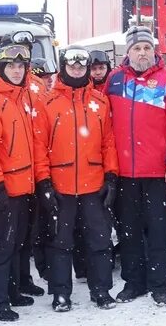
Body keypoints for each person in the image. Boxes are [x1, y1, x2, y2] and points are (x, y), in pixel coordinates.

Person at [105, 26, 166, 305]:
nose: (142, 53)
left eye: (146, 48)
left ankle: (159, 286)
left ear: (154, 51)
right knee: (128, 232)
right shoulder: (114, 81)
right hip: (124, 173)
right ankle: (134, 283)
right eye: (136, 48)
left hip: (157, 173)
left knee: (158, 232)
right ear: (127, 52)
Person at [0, 44, 53, 317]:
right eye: (11, 67)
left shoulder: (21, 100)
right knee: (1, 245)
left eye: (21, 67)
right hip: (7, 188)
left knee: (16, 242)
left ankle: (8, 291)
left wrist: (41, 180)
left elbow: (34, 144)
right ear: (1, 69)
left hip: (25, 187)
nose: (17, 71)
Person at [40, 47, 119, 309]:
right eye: (71, 65)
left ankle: (101, 291)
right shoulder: (48, 102)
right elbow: (39, 145)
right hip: (61, 186)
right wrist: (44, 182)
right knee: (60, 242)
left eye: (81, 66)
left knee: (99, 240)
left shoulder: (100, 100)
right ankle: (61, 293)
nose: (76, 69)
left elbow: (109, 142)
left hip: (93, 184)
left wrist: (111, 176)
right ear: (63, 67)